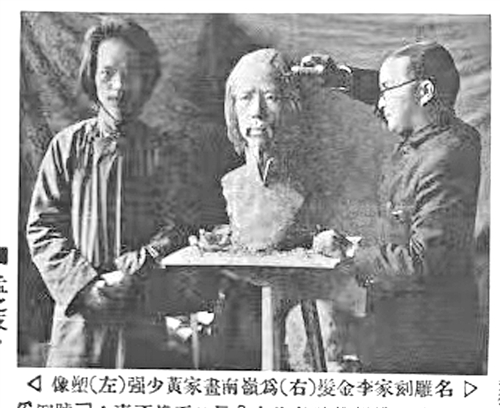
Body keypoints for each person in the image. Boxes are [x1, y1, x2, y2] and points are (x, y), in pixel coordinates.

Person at [26, 17, 198, 368]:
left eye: (130, 74)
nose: (119, 87)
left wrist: (136, 270)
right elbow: (43, 229)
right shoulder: (67, 147)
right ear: (91, 76)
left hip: (141, 316)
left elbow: (178, 228)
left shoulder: (163, 152)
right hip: (79, 323)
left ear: (146, 79)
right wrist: (86, 285)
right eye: (107, 73)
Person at [308, 41, 482, 374]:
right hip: (406, 333)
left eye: (386, 89)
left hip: (426, 347)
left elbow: (424, 262)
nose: (379, 101)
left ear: (425, 92)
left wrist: (349, 251)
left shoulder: (444, 157)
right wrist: (341, 78)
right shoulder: (436, 138)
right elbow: (403, 91)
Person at [205, 48, 364, 371]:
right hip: (244, 317)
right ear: (232, 109)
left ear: (291, 107)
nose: (257, 112)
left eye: (271, 97)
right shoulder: (231, 184)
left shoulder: (308, 184)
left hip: (299, 300)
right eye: (245, 98)